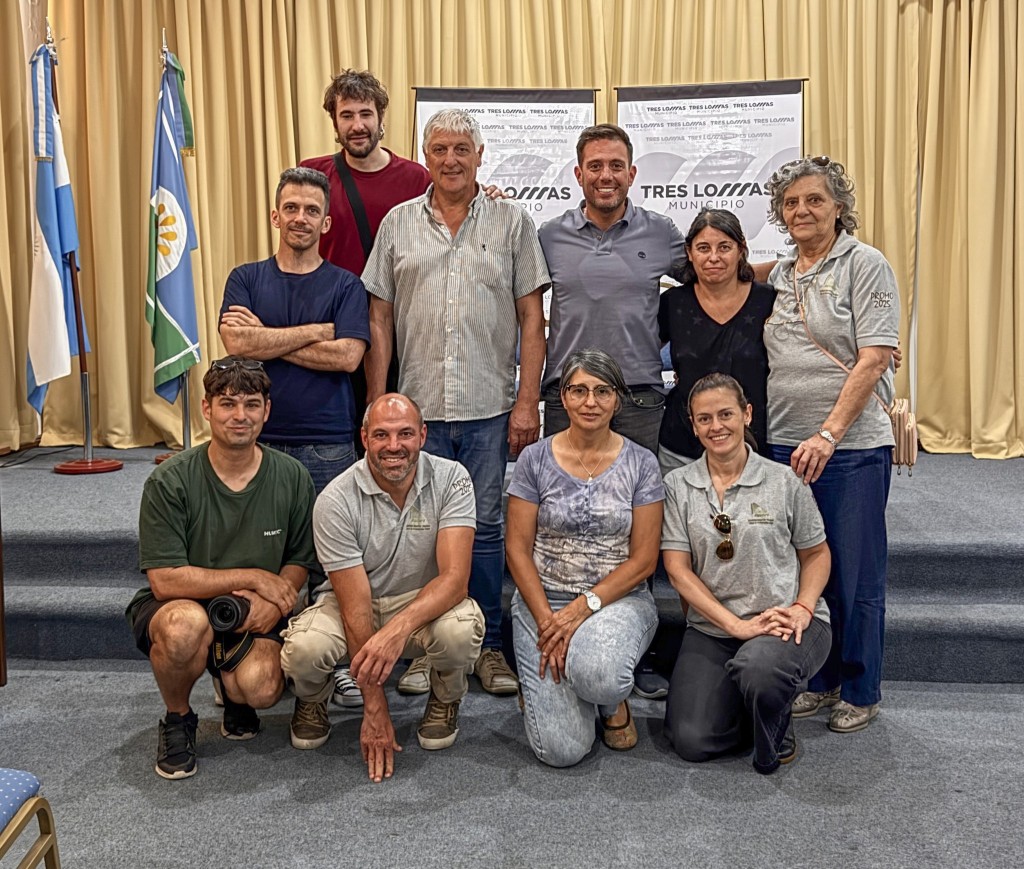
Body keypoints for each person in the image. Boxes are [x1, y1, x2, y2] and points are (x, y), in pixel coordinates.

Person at [362, 107, 550, 698]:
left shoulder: (513, 222)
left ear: (479, 156)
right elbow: (379, 319)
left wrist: (527, 401)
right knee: (424, 530)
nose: (450, 160)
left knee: (486, 527)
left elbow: (532, 318)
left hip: (490, 407)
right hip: (416, 414)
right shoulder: (397, 224)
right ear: (426, 156)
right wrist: (376, 404)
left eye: (461, 149)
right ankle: (429, 646)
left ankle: (487, 645)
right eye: (439, 149)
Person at [126, 358, 318, 780]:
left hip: (254, 609)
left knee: (262, 689)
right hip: (182, 603)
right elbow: (164, 579)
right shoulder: (170, 481)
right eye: (228, 404)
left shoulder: (292, 476)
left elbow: (300, 559)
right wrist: (253, 577)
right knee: (184, 628)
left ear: (267, 411)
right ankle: (178, 718)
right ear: (206, 408)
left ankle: (232, 689)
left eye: (251, 404)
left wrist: (277, 600)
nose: (240, 416)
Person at [279, 394, 484, 783]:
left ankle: (445, 697)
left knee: (460, 631)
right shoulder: (335, 499)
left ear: (422, 435)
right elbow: (355, 607)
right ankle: (312, 698)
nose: (394, 446)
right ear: (364, 438)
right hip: (352, 601)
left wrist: (397, 629)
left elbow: (455, 579)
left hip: (423, 601)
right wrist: (374, 706)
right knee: (304, 650)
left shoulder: (452, 478)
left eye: (405, 433)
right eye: (381, 435)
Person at [762, 156, 899, 733]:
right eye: (791, 203)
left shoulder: (865, 264)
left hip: (849, 448)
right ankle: (819, 679)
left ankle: (861, 687)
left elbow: (874, 359)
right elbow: (717, 264)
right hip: (782, 446)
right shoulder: (779, 273)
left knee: (854, 574)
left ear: (839, 206)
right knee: (803, 571)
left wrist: (828, 433)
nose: (802, 211)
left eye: (814, 200)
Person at [661, 373, 832, 774]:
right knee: (691, 740)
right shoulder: (677, 485)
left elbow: (817, 554)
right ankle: (756, 707)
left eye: (726, 414)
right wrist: (735, 626)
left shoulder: (784, 480)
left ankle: (772, 713)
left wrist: (804, 607)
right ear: (693, 425)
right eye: (704, 418)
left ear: (747, 414)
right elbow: (677, 571)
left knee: (761, 670)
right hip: (714, 628)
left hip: (783, 622)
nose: (716, 426)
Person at [506, 349, 664, 767]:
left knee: (601, 676)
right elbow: (517, 549)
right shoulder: (534, 459)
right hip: (544, 601)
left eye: (602, 391)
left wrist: (581, 608)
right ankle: (550, 684)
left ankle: (609, 699)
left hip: (618, 600)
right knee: (560, 752)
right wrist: (548, 622)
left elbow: (645, 560)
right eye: (578, 391)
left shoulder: (642, 464)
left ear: (617, 399)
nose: (590, 402)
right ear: (563, 397)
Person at [219, 167, 370, 495]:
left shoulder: (347, 285)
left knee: (327, 531)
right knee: (261, 531)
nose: (300, 218)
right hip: (258, 437)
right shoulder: (245, 278)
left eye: (312, 210)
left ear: (325, 223)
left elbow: (347, 358)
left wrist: (263, 336)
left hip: (328, 444)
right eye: (291, 208)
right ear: (276, 217)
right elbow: (236, 342)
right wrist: (316, 331)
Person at [657, 208, 776, 476]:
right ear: (689, 253)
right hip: (681, 450)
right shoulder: (673, 304)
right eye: (703, 248)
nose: (713, 257)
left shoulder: (768, 300)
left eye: (724, 247)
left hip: (752, 448)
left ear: (741, 250)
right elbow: (639, 352)